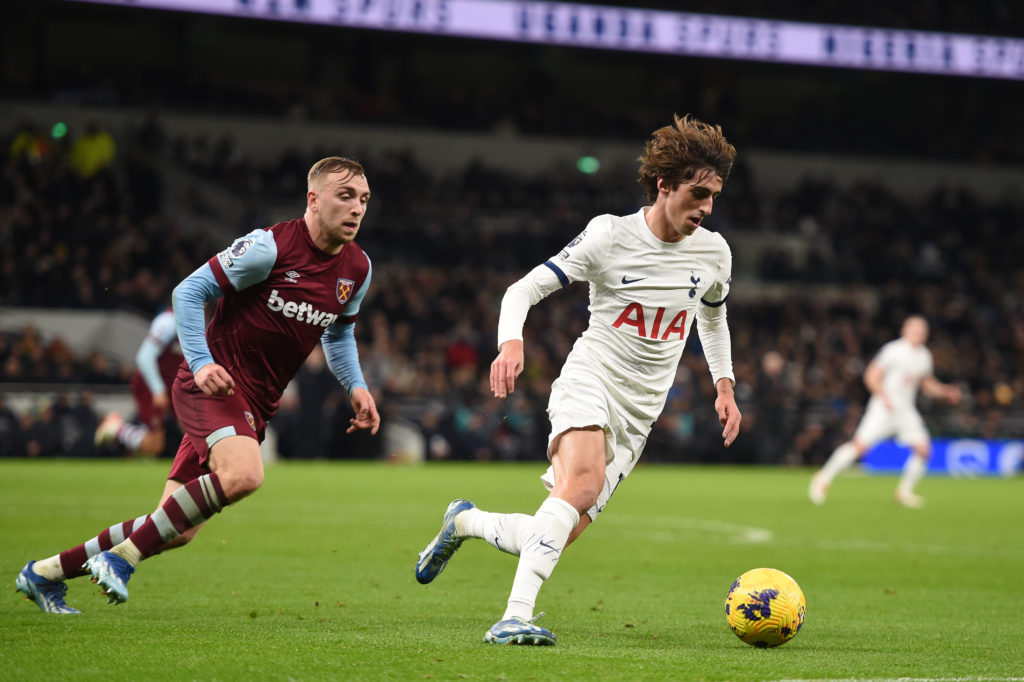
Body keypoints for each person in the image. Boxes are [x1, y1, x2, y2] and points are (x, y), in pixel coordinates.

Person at [415, 115, 742, 645]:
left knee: (555, 531)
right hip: (591, 378)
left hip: (641, 413)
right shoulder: (609, 235)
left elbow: (713, 315)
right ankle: (513, 617)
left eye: (714, 196)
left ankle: (465, 523)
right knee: (582, 485)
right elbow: (521, 291)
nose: (706, 208)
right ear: (663, 185)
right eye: (697, 193)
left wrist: (724, 386)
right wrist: (512, 343)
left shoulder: (714, 253)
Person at [16, 156, 381, 613]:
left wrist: (356, 385)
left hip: (254, 404)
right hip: (210, 387)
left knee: (175, 527)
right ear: (313, 199)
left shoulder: (357, 269)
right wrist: (202, 362)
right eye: (345, 196)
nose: (356, 208)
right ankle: (122, 558)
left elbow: (339, 332)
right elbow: (188, 292)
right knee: (245, 474)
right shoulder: (269, 248)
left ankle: (45, 573)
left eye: (363, 199)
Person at [808, 315, 961, 509]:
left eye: (922, 330)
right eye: (915, 329)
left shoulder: (924, 356)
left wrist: (946, 392)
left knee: (924, 450)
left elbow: (926, 384)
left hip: (905, 408)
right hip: (884, 406)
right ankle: (823, 477)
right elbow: (871, 375)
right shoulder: (893, 350)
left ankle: (903, 492)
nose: (919, 333)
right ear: (904, 330)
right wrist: (884, 396)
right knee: (860, 446)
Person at [95, 307, 184, 457]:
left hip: (175, 386)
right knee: (155, 445)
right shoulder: (169, 321)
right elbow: (145, 356)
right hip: (151, 385)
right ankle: (118, 429)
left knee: (195, 433)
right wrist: (158, 389)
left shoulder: (198, 321)